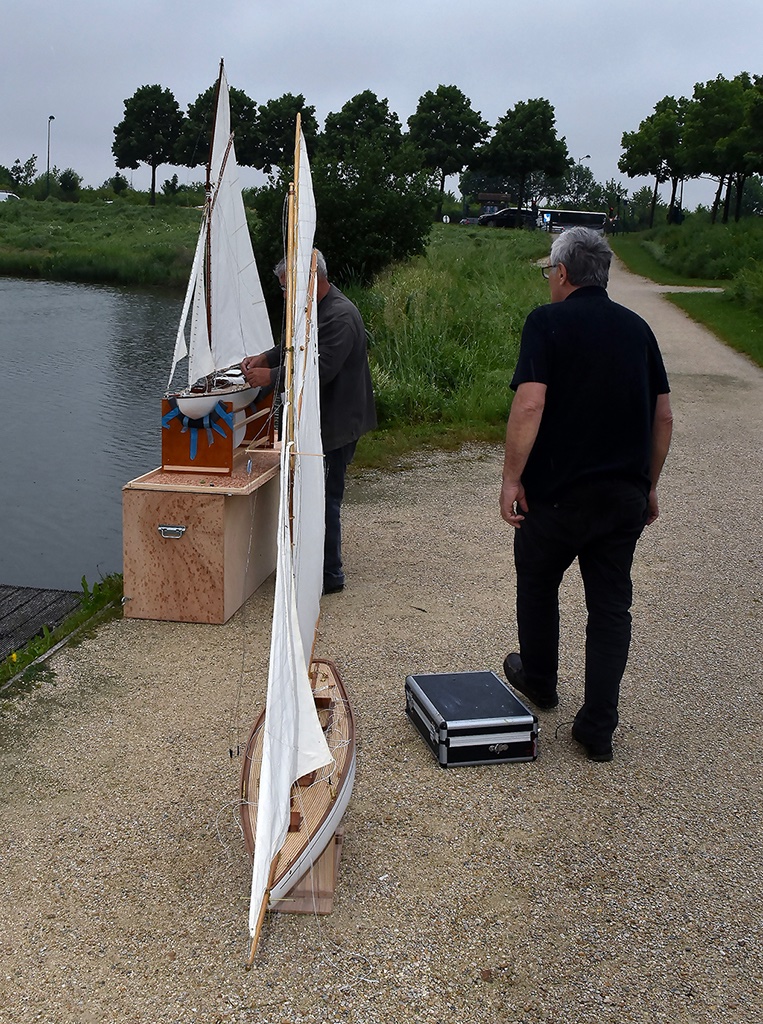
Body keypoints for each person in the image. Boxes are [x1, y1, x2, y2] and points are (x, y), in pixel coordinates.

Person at [499, 227, 673, 762]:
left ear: (565, 273)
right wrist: (647, 486)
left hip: (556, 496)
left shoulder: (546, 322)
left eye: (550, 271)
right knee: (610, 606)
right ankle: (597, 727)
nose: (549, 280)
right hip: (621, 496)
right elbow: (663, 417)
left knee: (537, 581)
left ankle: (541, 680)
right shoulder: (638, 330)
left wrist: (511, 479)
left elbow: (530, 405)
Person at [241, 249, 377, 594]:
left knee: (325, 498)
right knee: (311, 495)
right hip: (320, 421)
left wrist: (270, 376)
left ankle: (330, 575)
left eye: (288, 287)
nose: (285, 294)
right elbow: (293, 345)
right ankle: (312, 561)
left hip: (336, 423)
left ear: (311, 279)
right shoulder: (312, 310)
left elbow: (320, 369)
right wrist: (268, 355)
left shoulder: (340, 316)